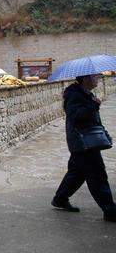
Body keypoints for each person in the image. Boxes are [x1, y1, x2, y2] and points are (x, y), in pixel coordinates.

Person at [51, 75, 116, 222]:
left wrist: (103, 133)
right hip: (83, 142)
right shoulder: (75, 95)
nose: (97, 78)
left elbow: (92, 118)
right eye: (94, 76)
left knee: (77, 173)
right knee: (97, 174)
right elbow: (75, 116)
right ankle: (110, 209)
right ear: (85, 79)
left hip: (86, 140)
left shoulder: (85, 93)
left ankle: (60, 199)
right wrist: (93, 105)